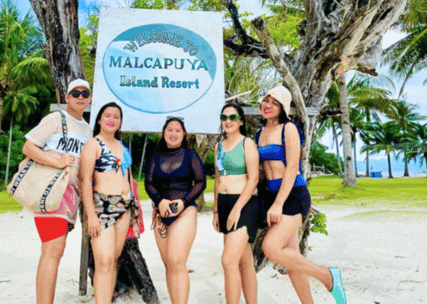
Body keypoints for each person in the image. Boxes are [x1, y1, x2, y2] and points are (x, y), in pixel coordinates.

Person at [256, 85, 347, 304]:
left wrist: (278, 204)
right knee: (292, 260)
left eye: (275, 103)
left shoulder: (289, 129)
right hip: (273, 196)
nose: (268, 105)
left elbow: (291, 167)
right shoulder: (260, 133)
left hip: (292, 196)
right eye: (266, 100)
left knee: (271, 247)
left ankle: (328, 276)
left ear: (283, 108)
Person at [21, 79, 93, 304]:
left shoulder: (88, 129)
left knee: (56, 250)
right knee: (52, 251)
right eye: (75, 93)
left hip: (72, 194)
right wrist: (57, 161)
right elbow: (28, 147)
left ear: (89, 98)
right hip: (53, 189)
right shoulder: (55, 119)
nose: (80, 97)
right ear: (67, 97)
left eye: (85, 93)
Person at [79, 102, 141, 304]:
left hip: (124, 207)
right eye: (108, 115)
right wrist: (91, 216)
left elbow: (129, 177)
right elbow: (85, 180)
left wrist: (134, 210)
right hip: (102, 206)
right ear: (99, 120)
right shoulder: (93, 144)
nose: (112, 119)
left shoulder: (122, 145)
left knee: (113, 259)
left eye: (116, 117)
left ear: (121, 122)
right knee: (103, 261)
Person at [144, 116, 206, 304]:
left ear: (184, 134)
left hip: (184, 212)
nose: (173, 133)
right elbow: (149, 183)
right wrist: (159, 200)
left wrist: (184, 201)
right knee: (169, 265)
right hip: (160, 213)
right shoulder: (155, 157)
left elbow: (201, 182)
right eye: (169, 129)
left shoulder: (190, 155)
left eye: (177, 130)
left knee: (177, 262)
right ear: (164, 133)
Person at [213, 102, 260, 304]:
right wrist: (216, 211)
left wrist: (237, 208)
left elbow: (254, 178)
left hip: (245, 203)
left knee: (228, 260)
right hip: (224, 203)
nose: (228, 121)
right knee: (244, 261)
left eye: (232, 117)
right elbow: (217, 179)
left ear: (240, 121)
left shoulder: (247, 143)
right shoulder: (218, 146)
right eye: (224, 117)